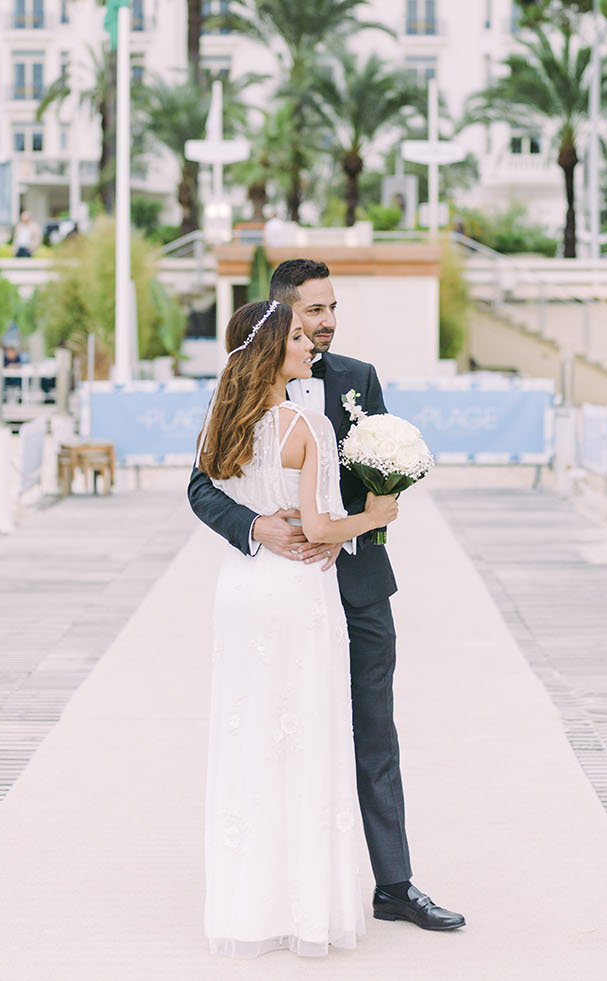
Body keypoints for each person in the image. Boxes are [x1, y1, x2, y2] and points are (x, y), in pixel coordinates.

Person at [189, 259, 465, 935]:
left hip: (358, 584)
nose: (327, 323)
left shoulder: (357, 380)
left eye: (333, 307)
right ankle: (292, 882)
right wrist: (254, 526)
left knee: (374, 730)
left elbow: (389, 465)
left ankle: (393, 883)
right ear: (283, 315)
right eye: (314, 311)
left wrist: (357, 523)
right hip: (283, 586)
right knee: (285, 732)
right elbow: (202, 485)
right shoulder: (240, 383)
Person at [197, 299, 398, 957]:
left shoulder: (223, 420)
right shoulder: (304, 422)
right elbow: (316, 530)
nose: (309, 341)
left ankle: (247, 903)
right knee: (306, 741)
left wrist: (258, 529)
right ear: (272, 349)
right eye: (296, 334)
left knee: (249, 739)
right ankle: (306, 906)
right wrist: (374, 514)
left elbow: (209, 484)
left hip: (241, 591)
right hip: (294, 596)